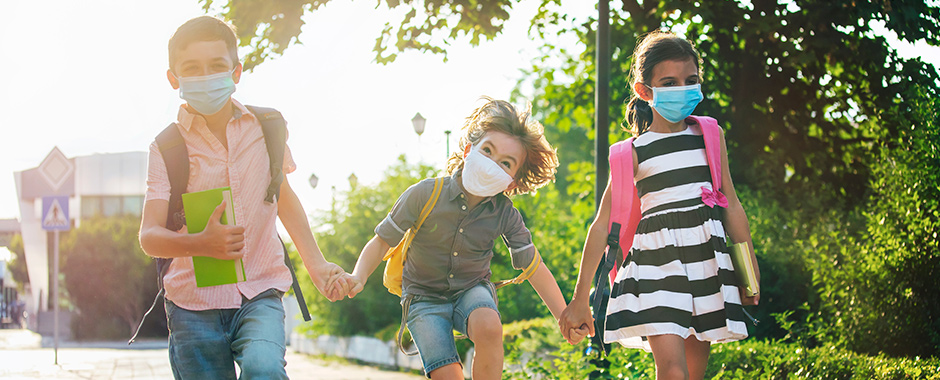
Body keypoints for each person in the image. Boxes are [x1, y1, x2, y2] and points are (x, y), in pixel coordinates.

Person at [138, 16, 350, 379]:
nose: (205, 76)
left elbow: (282, 197)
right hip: (192, 305)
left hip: (261, 291)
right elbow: (149, 237)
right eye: (192, 68)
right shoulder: (166, 147)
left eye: (217, 66)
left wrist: (316, 265)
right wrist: (200, 243)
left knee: (264, 368)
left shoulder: (268, 127)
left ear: (236, 72)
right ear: (174, 78)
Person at [558, 31, 760, 380]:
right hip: (656, 267)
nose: (682, 88)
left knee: (693, 375)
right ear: (644, 91)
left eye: (690, 80)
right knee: (673, 372)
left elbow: (732, 206)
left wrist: (748, 273)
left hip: (706, 263)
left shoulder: (710, 135)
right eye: (670, 82)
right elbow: (602, 224)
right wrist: (580, 299)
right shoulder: (631, 153)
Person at [336, 98, 585, 379]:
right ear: (469, 150)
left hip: (471, 290)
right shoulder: (424, 194)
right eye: (487, 151)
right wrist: (358, 276)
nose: (492, 163)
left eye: (505, 163)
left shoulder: (505, 213)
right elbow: (382, 240)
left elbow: (534, 268)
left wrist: (564, 316)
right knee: (448, 375)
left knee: (489, 325)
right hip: (422, 298)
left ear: (512, 182)